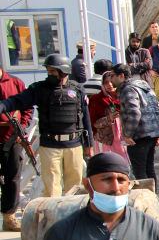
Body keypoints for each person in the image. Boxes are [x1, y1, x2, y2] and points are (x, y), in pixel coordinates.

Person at [0, 54, 92, 197]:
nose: (50, 75)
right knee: (52, 190)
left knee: (75, 189)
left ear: (64, 71)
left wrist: (89, 144)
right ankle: (54, 219)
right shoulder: (39, 89)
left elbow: (85, 117)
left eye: (53, 71)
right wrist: (3, 106)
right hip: (50, 146)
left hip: (74, 144)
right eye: (48, 71)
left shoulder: (78, 89)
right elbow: (17, 101)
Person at [111, 64, 159, 181]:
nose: (111, 79)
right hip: (152, 132)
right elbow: (158, 109)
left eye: (112, 75)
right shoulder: (144, 85)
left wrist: (128, 134)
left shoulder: (128, 89)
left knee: (140, 172)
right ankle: (153, 197)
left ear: (121, 76)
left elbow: (134, 113)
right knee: (149, 169)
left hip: (140, 135)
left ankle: (147, 197)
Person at [0, 60, 28, 231]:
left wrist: (22, 127)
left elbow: (27, 107)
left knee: (12, 177)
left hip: (12, 137)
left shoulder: (16, 83)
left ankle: (9, 217)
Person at [88, 70, 127, 161]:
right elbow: (93, 123)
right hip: (106, 140)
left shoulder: (125, 96)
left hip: (124, 137)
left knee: (125, 165)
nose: (109, 85)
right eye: (106, 82)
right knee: (108, 165)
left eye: (112, 81)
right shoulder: (97, 99)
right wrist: (108, 119)